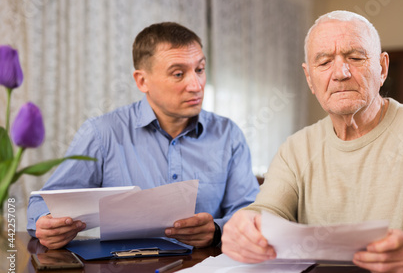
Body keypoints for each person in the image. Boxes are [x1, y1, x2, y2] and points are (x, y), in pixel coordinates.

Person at [221, 10, 403, 273]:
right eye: (324, 62)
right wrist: (246, 227)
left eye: (355, 57)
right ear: (309, 77)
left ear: (382, 68)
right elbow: (266, 211)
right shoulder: (295, 147)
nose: (340, 72)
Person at [27, 22, 260, 250]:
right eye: (179, 74)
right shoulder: (101, 133)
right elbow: (42, 204)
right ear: (142, 81)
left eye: (199, 69)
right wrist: (45, 223)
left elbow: (250, 209)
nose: (196, 85)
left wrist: (217, 230)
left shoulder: (228, 134)